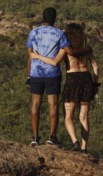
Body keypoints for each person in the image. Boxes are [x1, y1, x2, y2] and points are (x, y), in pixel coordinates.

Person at [26, 8, 90, 147]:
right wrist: (86, 50)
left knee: (35, 105)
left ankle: (35, 137)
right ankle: (52, 137)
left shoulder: (33, 32)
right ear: (55, 19)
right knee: (53, 105)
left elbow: (29, 55)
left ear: (42, 17)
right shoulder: (59, 33)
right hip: (52, 74)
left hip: (36, 73)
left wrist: (28, 75)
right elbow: (71, 52)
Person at [31, 23, 99, 153]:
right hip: (86, 79)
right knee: (84, 116)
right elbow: (96, 67)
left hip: (72, 80)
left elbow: (55, 62)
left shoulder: (66, 49)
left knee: (69, 116)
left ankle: (75, 142)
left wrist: (37, 56)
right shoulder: (87, 48)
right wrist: (95, 84)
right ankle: (84, 148)